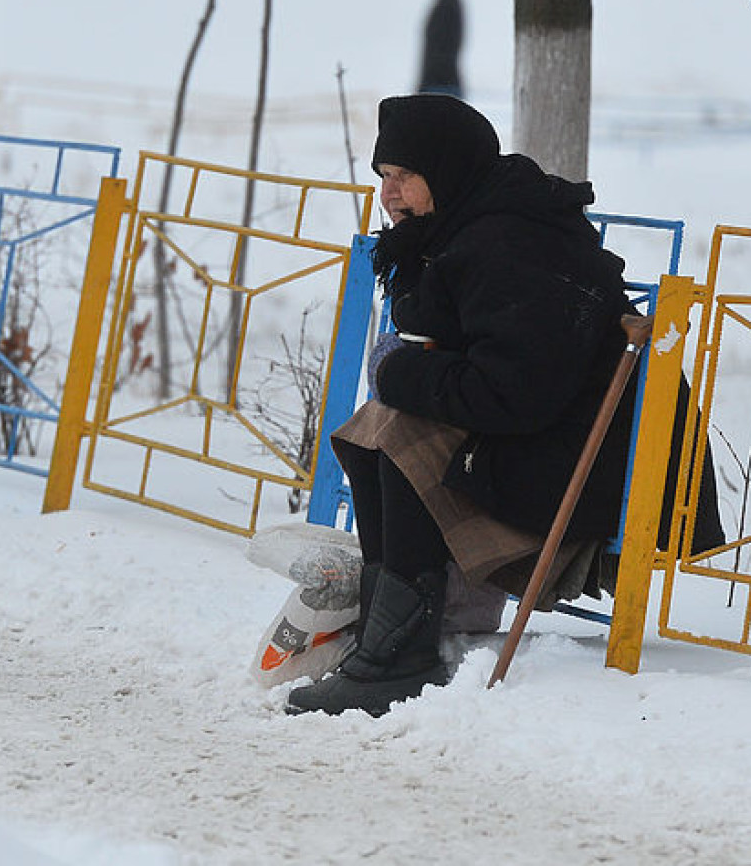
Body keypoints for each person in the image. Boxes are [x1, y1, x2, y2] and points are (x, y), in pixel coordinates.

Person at [287, 95, 720, 717]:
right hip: (542, 435)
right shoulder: (462, 229)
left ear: (448, 168)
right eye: (383, 177)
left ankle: (401, 654)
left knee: (395, 433)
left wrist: (400, 367)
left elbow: (509, 392)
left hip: (589, 464)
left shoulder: (512, 245)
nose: (390, 194)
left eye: (405, 176)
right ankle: (384, 643)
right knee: (374, 430)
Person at [416, 0, 464, 98]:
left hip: (440, 84)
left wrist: (424, 84)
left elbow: (438, 51)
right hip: (443, 82)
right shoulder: (449, 1)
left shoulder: (447, 5)